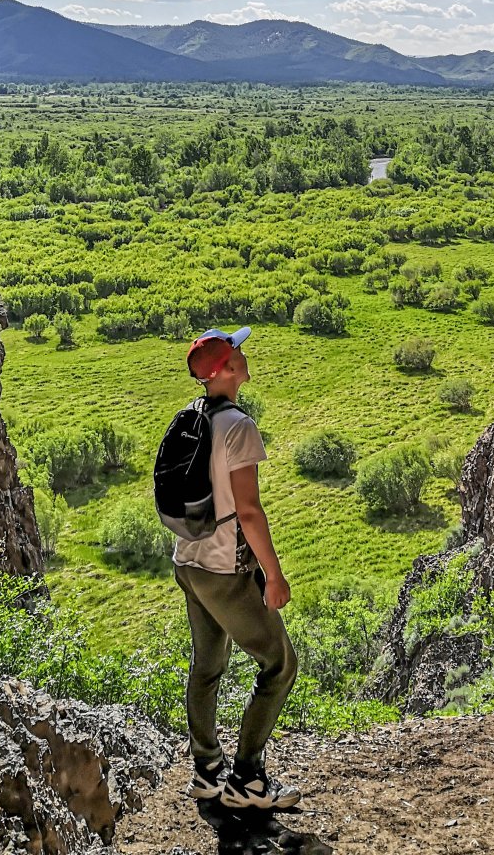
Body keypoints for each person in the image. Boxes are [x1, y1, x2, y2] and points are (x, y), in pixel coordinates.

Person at [172, 325, 300, 810]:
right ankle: (247, 779)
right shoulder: (238, 426)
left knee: (207, 664)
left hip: (188, 561)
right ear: (225, 368)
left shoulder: (188, 417)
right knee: (280, 664)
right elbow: (248, 511)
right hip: (225, 568)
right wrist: (274, 574)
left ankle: (206, 770)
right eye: (239, 352)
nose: (246, 356)